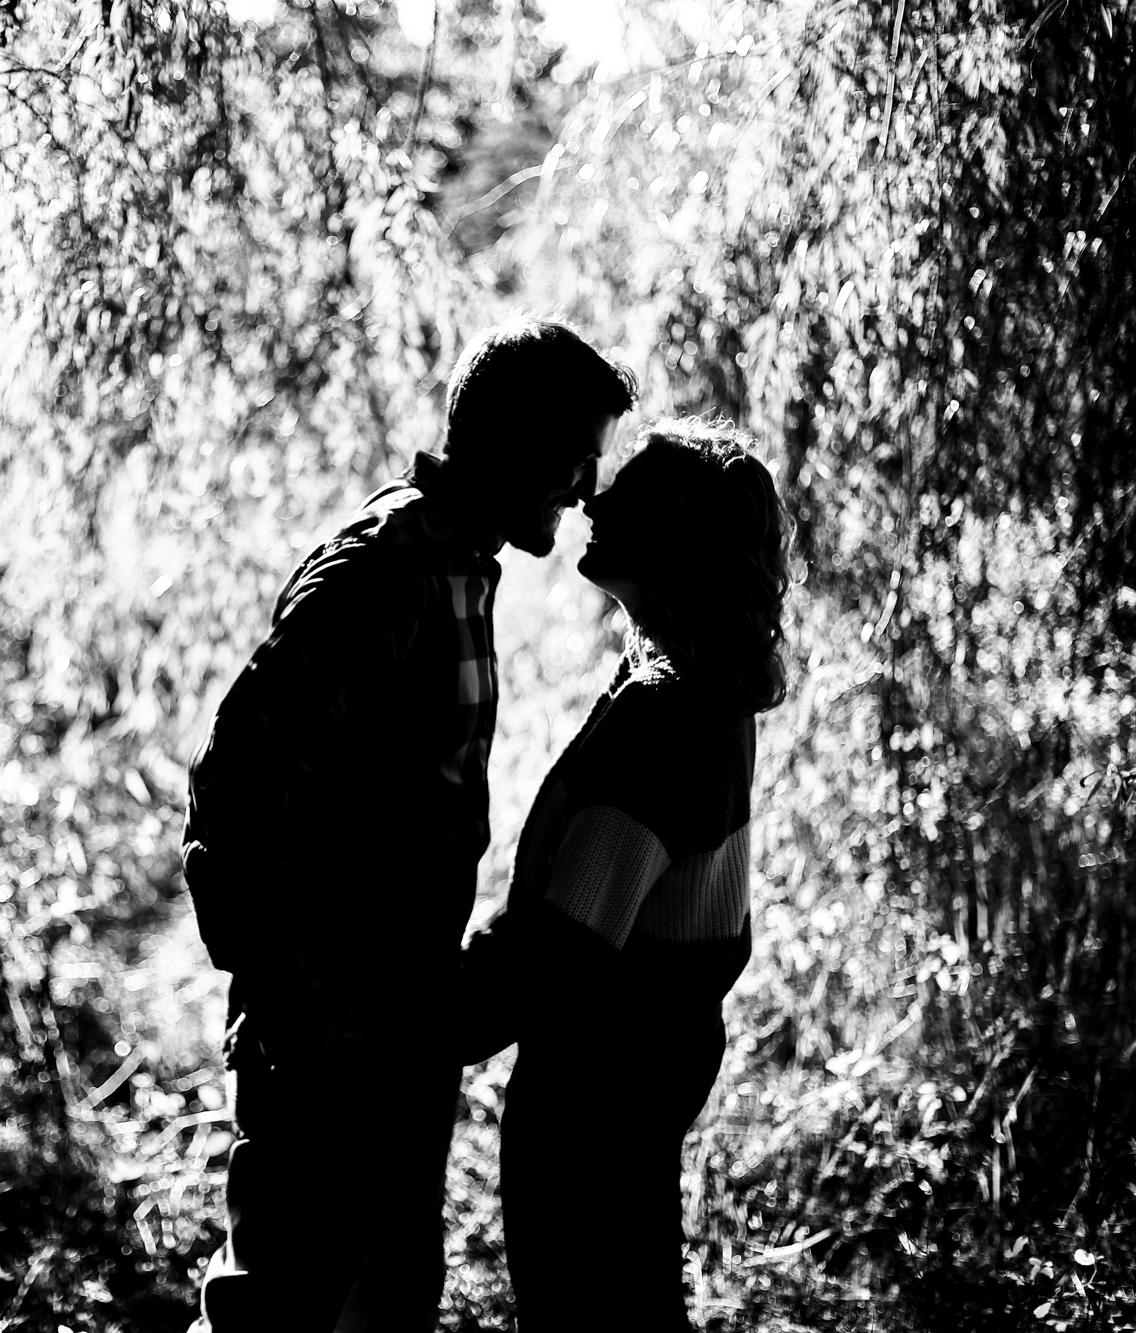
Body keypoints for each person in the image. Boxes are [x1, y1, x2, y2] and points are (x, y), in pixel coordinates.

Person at [180, 318, 636, 1332]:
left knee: (385, 1299)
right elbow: (237, 782)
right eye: (575, 458)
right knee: (282, 1304)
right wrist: (296, 995)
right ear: (521, 444)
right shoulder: (383, 572)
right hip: (327, 1034)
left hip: (399, 1021)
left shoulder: (462, 566)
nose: (583, 489)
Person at [457, 419, 790, 1330]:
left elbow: (561, 947)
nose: (594, 498)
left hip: (597, 1087)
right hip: (644, 1067)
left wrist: (417, 1024)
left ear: (677, 540)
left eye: (630, 494)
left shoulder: (666, 720)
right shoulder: (708, 693)